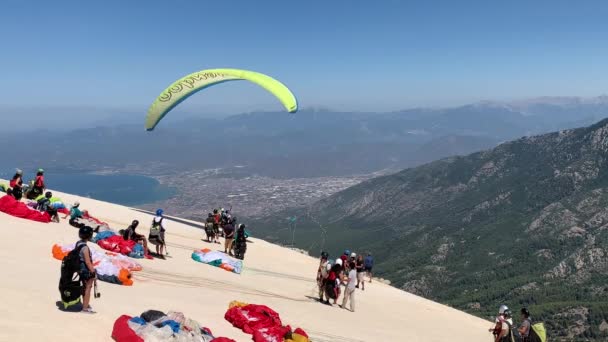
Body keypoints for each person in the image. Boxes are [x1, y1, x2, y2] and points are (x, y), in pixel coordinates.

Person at [77, 226, 97, 314]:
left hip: (79, 268)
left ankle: (85, 304)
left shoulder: (78, 243)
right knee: (88, 288)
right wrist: (93, 272)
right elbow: (88, 262)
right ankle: (85, 308)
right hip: (85, 270)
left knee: (84, 287)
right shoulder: (85, 248)